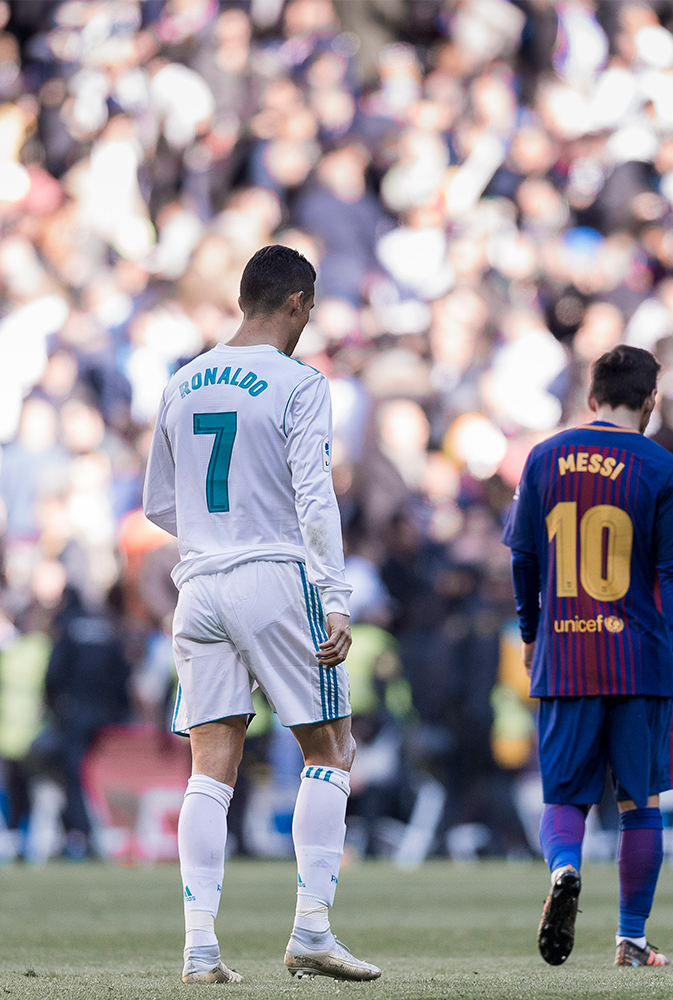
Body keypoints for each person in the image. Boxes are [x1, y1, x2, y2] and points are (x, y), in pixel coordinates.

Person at [142, 245, 379, 984]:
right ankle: (311, 928)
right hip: (275, 574)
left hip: (200, 584)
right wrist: (334, 598)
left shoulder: (181, 384)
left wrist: (218, 537)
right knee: (332, 750)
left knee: (211, 771)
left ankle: (200, 948)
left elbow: (158, 503)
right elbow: (315, 496)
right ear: (299, 304)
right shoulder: (299, 382)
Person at [503, 345, 673, 968]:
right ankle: (632, 938)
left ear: (591, 398)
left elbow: (523, 558)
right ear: (652, 402)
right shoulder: (666, 470)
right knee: (638, 803)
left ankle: (565, 868)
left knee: (564, 798)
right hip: (638, 659)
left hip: (564, 652)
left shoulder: (543, 459)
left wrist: (531, 630)